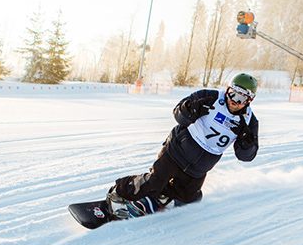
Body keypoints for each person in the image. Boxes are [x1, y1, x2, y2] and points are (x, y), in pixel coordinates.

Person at [107, 73, 260, 219]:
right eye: (232, 93)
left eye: (241, 98)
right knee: (154, 182)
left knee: (189, 198)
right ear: (227, 89)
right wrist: (189, 109)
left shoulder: (249, 122)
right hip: (176, 151)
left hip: (199, 167)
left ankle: (163, 196)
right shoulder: (209, 97)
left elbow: (245, 157)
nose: (234, 100)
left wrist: (247, 144)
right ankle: (118, 192)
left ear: (249, 100)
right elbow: (178, 113)